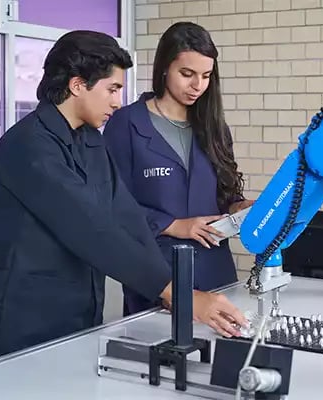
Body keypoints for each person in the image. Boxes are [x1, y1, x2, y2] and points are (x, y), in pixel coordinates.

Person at [0, 30, 246, 367]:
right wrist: (179, 294)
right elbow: (92, 230)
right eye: (112, 89)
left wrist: (174, 293)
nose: (117, 101)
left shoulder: (89, 142)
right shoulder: (27, 147)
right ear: (77, 84)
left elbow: (125, 217)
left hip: (78, 314)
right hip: (20, 321)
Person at [103, 22, 253, 316]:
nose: (198, 85)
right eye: (187, 74)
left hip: (215, 272)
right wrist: (175, 225)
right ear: (164, 68)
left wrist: (239, 207)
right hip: (157, 273)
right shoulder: (126, 125)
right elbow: (112, 204)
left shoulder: (214, 128)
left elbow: (224, 194)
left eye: (206, 76)